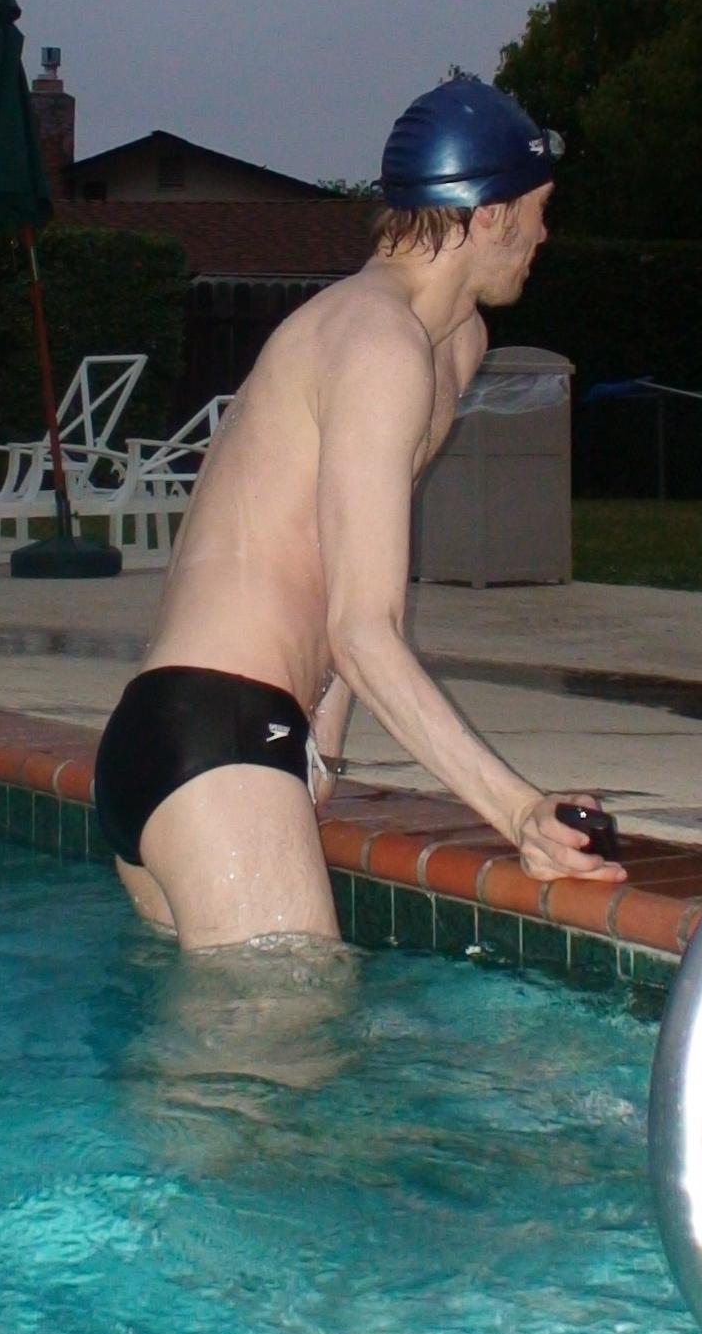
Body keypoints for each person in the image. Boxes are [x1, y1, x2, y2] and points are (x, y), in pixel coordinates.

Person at [93, 77, 627, 949]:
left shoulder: (448, 345)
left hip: (193, 736)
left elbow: (345, 561)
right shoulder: (377, 346)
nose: (543, 232)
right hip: (218, 733)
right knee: (280, 1061)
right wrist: (519, 811)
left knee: (224, 1073)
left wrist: (320, 755)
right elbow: (364, 632)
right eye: (538, 208)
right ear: (486, 214)